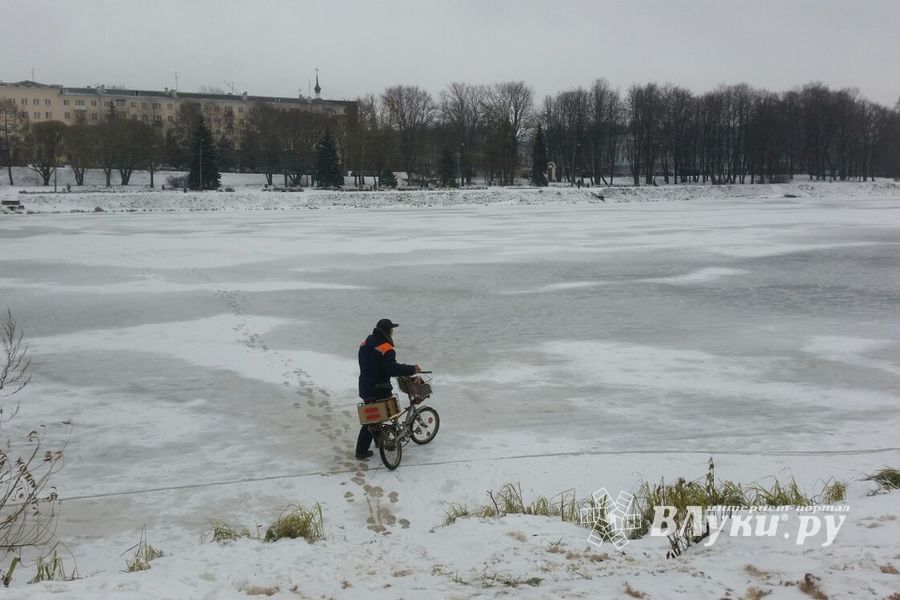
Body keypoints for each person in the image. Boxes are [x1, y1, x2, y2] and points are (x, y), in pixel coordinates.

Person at [355, 318, 420, 459]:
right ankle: (379, 439)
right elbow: (392, 369)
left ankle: (367, 446)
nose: (392, 333)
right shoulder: (386, 348)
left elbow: (370, 364)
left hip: (364, 386)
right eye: (392, 330)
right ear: (388, 331)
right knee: (385, 412)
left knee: (371, 417)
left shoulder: (364, 343)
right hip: (379, 388)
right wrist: (411, 369)